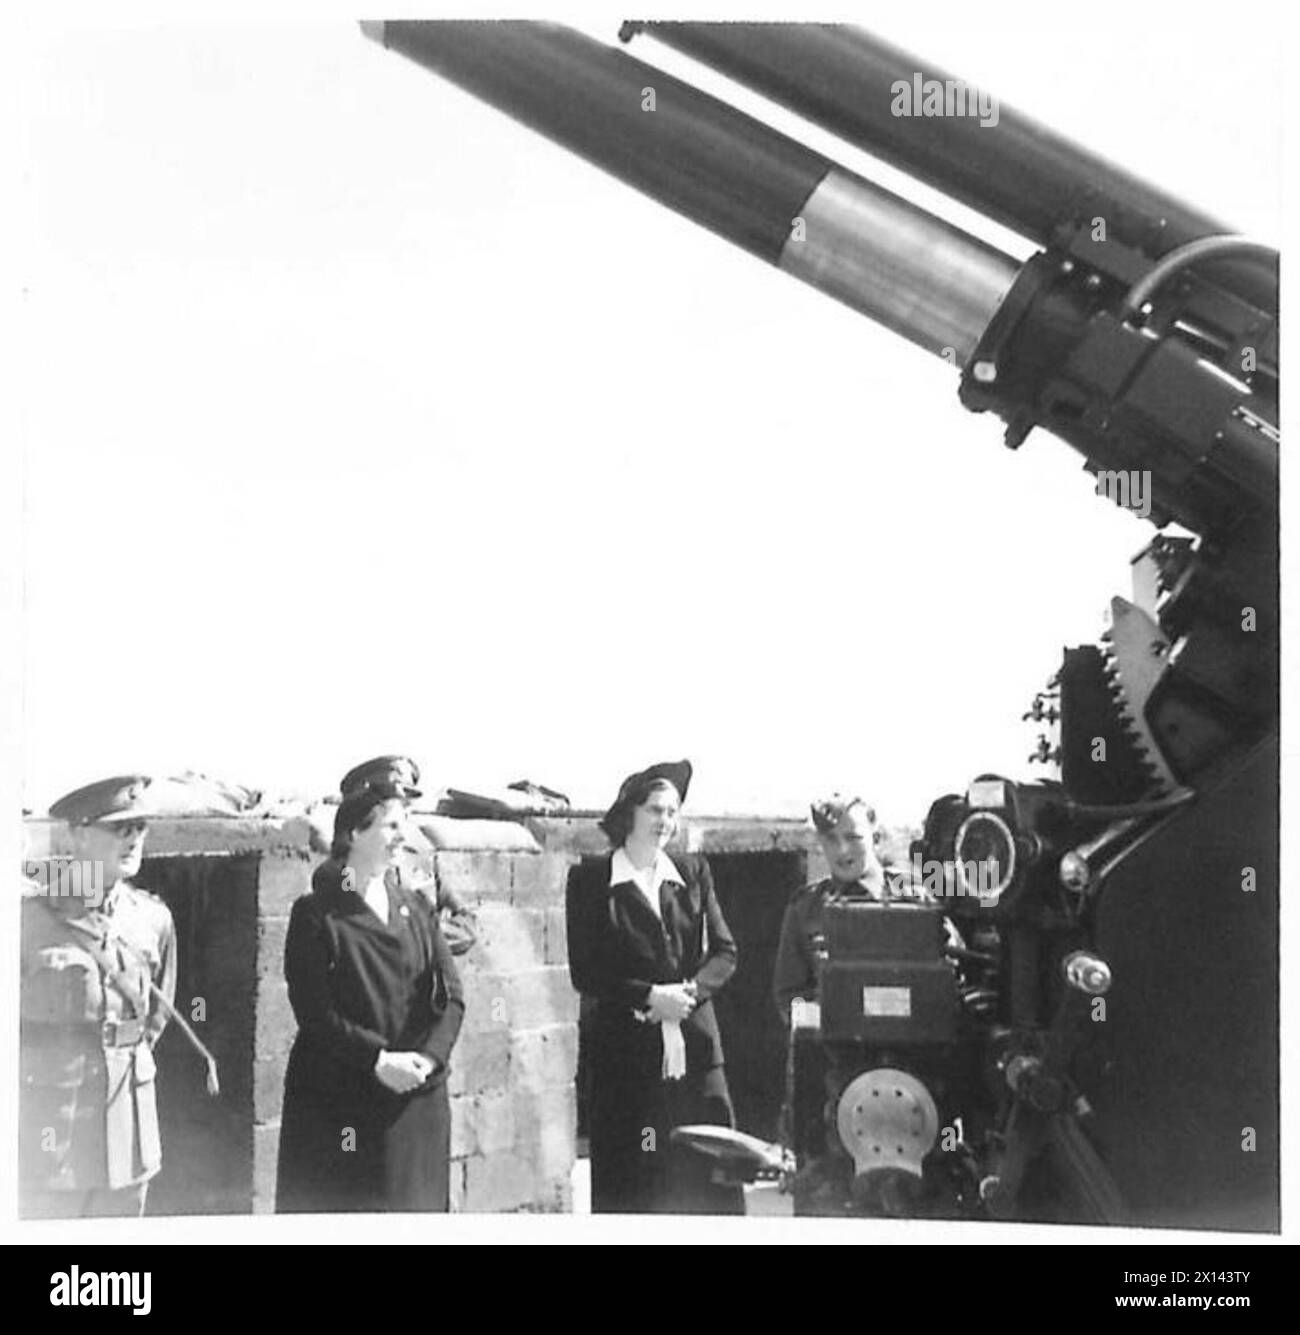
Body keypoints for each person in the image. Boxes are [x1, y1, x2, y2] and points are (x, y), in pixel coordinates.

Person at [276, 783, 464, 1212]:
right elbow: (315, 1013)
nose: (403, 835)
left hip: (416, 1102)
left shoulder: (418, 908)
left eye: (407, 824)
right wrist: (378, 1060)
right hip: (342, 1099)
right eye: (391, 825)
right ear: (355, 834)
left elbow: (452, 997)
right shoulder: (316, 914)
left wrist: (429, 1059)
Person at [565, 759, 743, 1214]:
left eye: (672, 812)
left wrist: (686, 996)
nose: (665, 821)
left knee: (707, 1175)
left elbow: (724, 952)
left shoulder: (693, 872)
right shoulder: (591, 879)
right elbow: (586, 971)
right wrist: (648, 997)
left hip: (696, 1049)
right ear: (629, 813)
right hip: (626, 1055)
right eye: (655, 810)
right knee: (634, 1178)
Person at [20, 775, 178, 1218]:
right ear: (76, 835)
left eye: (139, 827)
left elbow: (155, 1017)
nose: (132, 839)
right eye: (118, 828)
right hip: (51, 1135)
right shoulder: (26, 921)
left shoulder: (153, 918)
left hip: (128, 1133)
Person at [311, 755, 477, 956]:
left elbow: (467, 922)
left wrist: (421, 938)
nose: (404, 811)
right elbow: (352, 928)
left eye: (406, 805)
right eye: (393, 804)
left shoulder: (420, 859)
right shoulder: (346, 869)